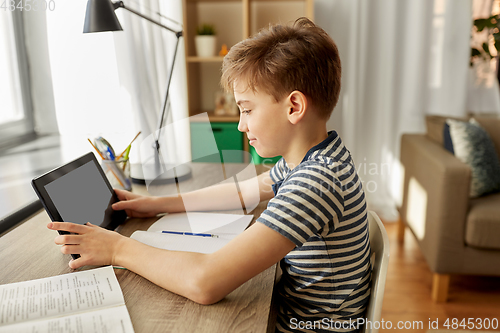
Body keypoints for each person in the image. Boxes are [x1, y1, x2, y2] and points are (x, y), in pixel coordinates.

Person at [48, 17, 371, 333]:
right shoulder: (318, 158)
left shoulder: (315, 183)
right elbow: (243, 192)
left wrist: (118, 249)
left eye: (247, 109)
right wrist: (155, 203)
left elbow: (204, 282)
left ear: (294, 107)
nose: (241, 125)